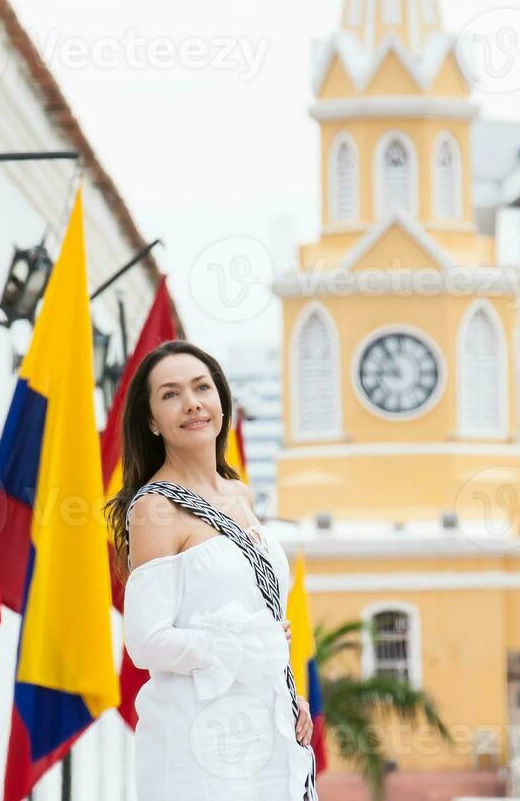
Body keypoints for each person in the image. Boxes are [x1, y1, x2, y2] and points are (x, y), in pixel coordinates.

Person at [106, 340, 318, 800]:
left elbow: (257, 620)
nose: (191, 403)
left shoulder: (239, 494)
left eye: (202, 387)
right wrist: (244, 646)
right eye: (170, 394)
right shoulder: (155, 507)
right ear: (151, 422)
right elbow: (146, 641)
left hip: (267, 734)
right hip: (199, 749)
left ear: (221, 399)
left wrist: (285, 696)